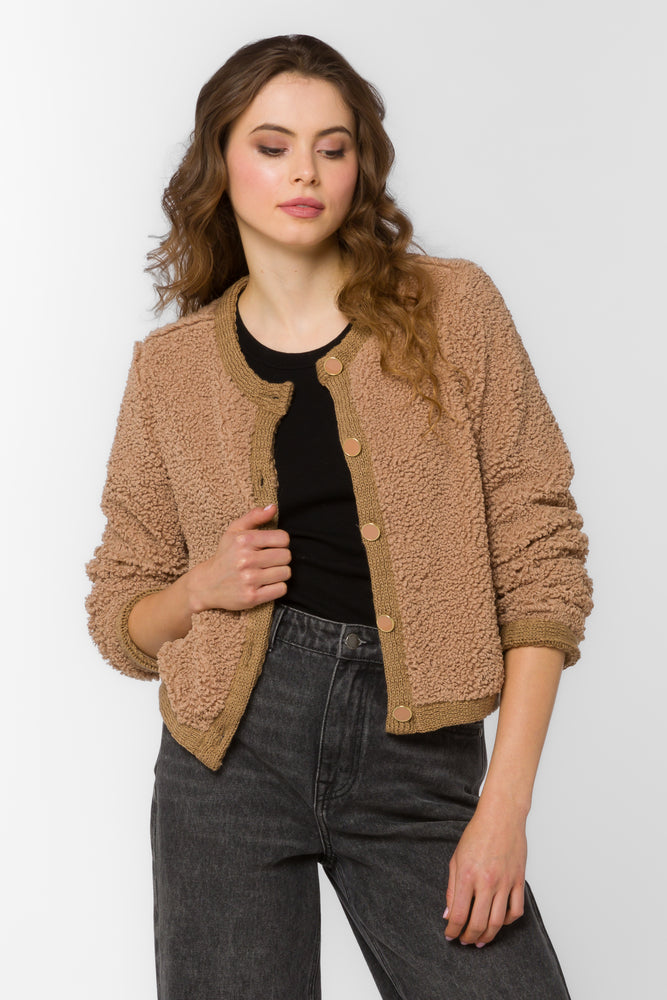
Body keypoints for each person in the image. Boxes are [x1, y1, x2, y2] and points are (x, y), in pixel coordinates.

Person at [85, 33, 593, 1000]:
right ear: (219, 160)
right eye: (272, 146)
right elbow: (120, 617)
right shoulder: (170, 372)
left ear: (361, 165)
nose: (305, 173)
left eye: (333, 146)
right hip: (227, 760)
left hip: (419, 757)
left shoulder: (453, 309)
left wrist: (502, 809)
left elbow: (541, 557)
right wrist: (197, 589)